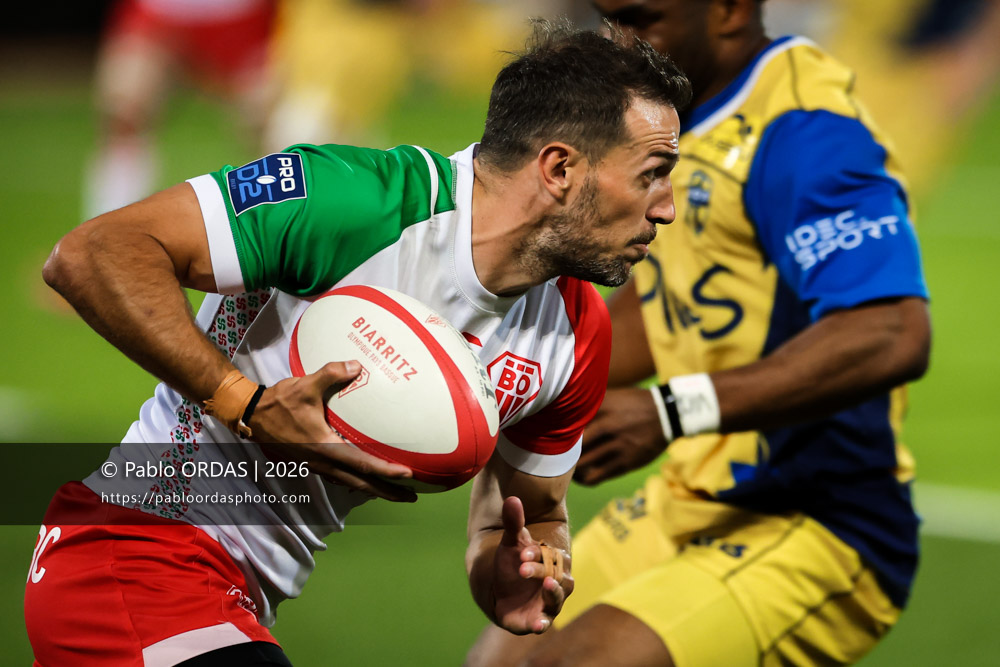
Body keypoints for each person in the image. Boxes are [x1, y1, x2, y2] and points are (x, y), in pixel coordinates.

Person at [28, 19, 692, 667]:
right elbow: (92, 253)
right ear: (559, 168)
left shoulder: (575, 335)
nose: (666, 207)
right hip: (127, 552)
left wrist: (516, 574)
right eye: (652, 172)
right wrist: (245, 400)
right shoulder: (355, 200)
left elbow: (529, 514)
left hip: (235, 600)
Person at [468, 1, 931, 665]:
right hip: (689, 498)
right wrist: (490, 384)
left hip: (815, 520)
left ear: (729, 10)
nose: (619, 46)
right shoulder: (674, 121)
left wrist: (668, 409)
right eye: (609, 21)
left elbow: (891, 330)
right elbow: (666, 316)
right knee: (505, 656)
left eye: (642, 23)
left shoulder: (802, 129)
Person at [84, 0, 277, 219]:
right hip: (160, 15)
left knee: (275, 128)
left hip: (245, 21)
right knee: (125, 111)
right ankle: (108, 233)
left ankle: (275, 237)